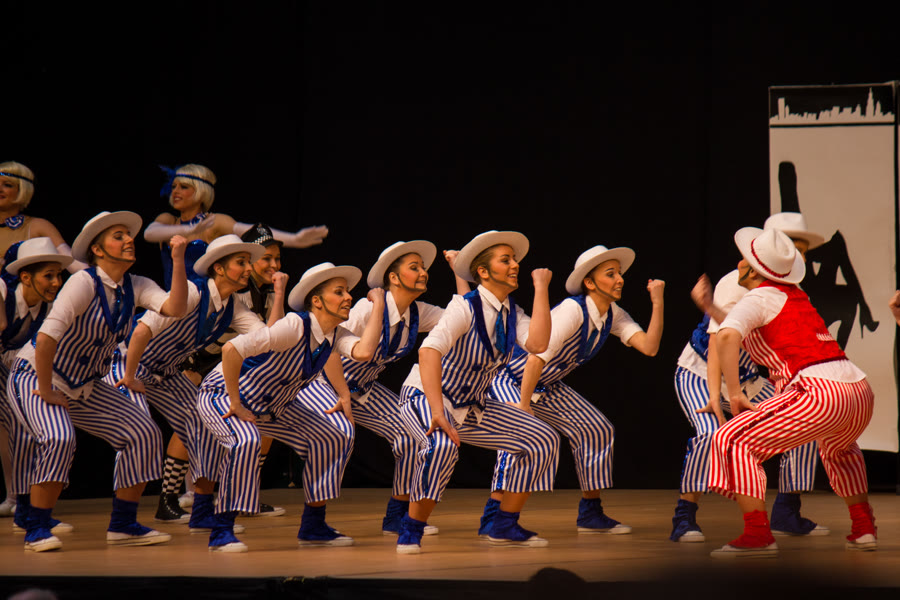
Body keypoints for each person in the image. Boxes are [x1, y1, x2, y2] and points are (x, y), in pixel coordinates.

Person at [6, 211, 188, 552]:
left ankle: (123, 525)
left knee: (143, 432)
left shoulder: (136, 285)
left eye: (128, 235)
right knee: (58, 437)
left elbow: (175, 308)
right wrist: (46, 389)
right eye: (118, 236)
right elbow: (45, 339)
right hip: (36, 375)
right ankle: (37, 528)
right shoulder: (83, 282)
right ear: (98, 249)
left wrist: (178, 260)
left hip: (84, 384)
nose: (129, 239)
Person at [698, 227, 876, 557]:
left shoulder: (758, 297)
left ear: (753, 271)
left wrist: (734, 393)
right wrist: (711, 308)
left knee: (732, 439)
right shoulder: (794, 295)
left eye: (744, 260)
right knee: (839, 451)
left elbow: (727, 336)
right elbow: (748, 326)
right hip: (858, 391)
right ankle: (864, 528)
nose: (738, 263)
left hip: (819, 391)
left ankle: (758, 534)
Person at [195, 262, 384, 552]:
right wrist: (235, 401)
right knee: (247, 440)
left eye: (347, 291)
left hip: (273, 406)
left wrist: (379, 305)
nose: (348, 297)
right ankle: (221, 531)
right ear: (317, 301)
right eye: (339, 291)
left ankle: (313, 525)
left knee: (334, 434)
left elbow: (364, 351)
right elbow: (232, 349)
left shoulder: (334, 334)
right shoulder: (294, 326)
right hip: (223, 395)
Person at [395, 230, 559, 554]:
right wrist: (437, 411)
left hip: (472, 406)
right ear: (483, 271)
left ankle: (503, 524)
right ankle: (410, 529)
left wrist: (541, 289)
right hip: (425, 397)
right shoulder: (463, 307)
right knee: (441, 446)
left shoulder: (512, 313)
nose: (515, 265)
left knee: (542, 438)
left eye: (515, 259)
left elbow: (538, 344)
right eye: (505, 260)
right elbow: (428, 352)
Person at [485, 245, 664, 536]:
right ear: (590, 283)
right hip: (513, 379)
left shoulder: (612, 314)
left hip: (546, 383)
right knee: (519, 435)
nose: (620, 279)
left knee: (596, 428)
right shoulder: (572, 310)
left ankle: (590, 513)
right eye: (611, 274)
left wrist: (657, 302)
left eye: (619, 273)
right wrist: (524, 407)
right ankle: (495, 519)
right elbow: (536, 357)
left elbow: (649, 347)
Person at [672, 212, 827, 542]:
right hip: (701, 373)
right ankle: (684, 516)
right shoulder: (736, 281)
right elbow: (718, 343)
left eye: (803, 252)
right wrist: (714, 395)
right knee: (709, 434)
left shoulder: (791, 289)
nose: (800, 257)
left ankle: (786, 511)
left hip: (747, 380)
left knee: (805, 427)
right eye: (794, 249)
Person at [106, 235, 278, 526]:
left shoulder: (232, 307)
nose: (249, 268)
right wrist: (130, 376)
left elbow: (267, 338)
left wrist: (281, 292)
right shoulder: (191, 293)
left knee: (204, 424)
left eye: (249, 262)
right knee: (138, 430)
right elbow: (142, 331)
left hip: (166, 372)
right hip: (128, 363)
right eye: (241, 262)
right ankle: (123, 522)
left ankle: (201, 512)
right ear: (219, 268)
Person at [304, 240, 446, 535]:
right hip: (325, 382)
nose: (423, 273)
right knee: (335, 436)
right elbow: (329, 345)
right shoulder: (366, 308)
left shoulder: (417, 313)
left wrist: (459, 271)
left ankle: (397, 517)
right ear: (393, 277)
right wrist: (342, 393)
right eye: (414, 267)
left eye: (423, 267)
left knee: (410, 435)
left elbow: (464, 318)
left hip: (363, 388)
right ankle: (312, 523)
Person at [143, 164, 328, 288]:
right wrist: (189, 230)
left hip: (203, 304)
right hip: (171, 302)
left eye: (183, 187)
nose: (175, 191)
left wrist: (295, 239)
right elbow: (149, 234)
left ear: (201, 191)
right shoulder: (168, 220)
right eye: (174, 186)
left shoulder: (214, 222)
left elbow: (252, 230)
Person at [0, 239, 73, 534]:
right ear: (26, 277)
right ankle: (24, 508)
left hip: (13, 369)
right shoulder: (3, 292)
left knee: (27, 428)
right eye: (48, 276)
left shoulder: (51, 307)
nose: (56, 283)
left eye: (58, 275)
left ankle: (26, 509)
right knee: (20, 427)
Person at [0, 161, 85, 271]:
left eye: (7, 185)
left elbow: (74, 265)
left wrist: (98, 277)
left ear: (22, 190)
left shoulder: (37, 226)